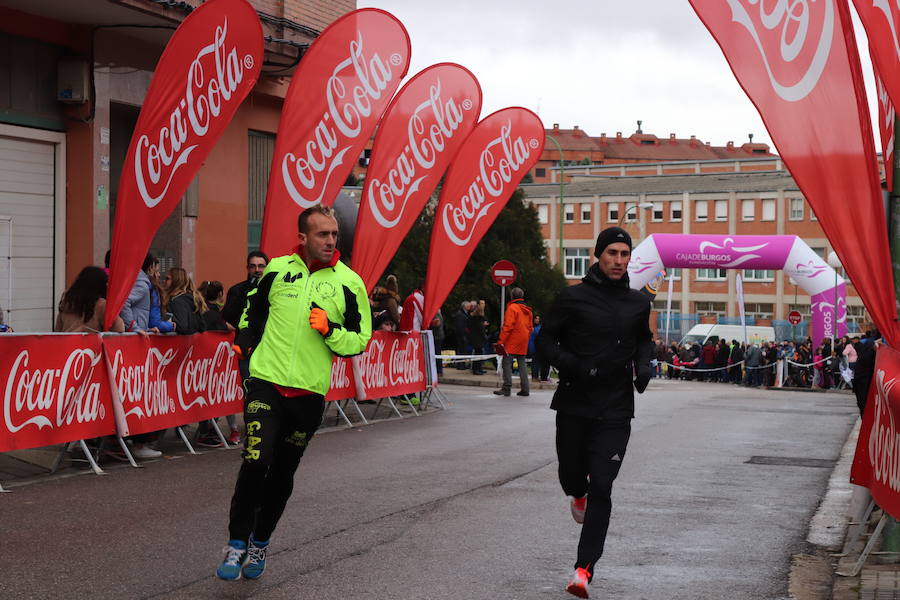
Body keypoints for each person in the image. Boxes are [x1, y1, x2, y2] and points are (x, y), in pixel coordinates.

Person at [217, 205, 372, 581]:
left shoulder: (349, 282)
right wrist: (246, 343)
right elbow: (252, 309)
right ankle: (236, 543)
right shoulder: (276, 269)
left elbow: (360, 339)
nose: (331, 241)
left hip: (308, 395)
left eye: (334, 234)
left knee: (282, 473)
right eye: (322, 234)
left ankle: (261, 541)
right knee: (255, 459)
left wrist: (330, 329)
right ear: (303, 237)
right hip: (265, 383)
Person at [536, 226, 653, 598]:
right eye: (612, 253)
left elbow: (644, 342)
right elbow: (546, 341)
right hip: (574, 402)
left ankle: (583, 570)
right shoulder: (572, 298)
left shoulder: (638, 302)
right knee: (573, 476)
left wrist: (645, 365)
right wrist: (576, 366)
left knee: (603, 484)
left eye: (624, 254)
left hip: (616, 408)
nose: (619, 261)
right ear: (598, 255)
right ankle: (577, 494)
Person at [196, 280, 239, 447]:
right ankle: (207, 432)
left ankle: (208, 430)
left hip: (208, 364)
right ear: (220, 294)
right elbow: (222, 327)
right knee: (214, 395)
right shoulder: (212, 314)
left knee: (211, 395)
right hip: (213, 364)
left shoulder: (203, 310)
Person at [55, 266, 125, 333]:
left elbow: (58, 329)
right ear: (100, 284)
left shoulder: (68, 301)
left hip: (66, 343)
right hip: (90, 344)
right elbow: (119, 328)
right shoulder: (101, 305)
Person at [493, 287, 533, 397]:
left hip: (512, 339)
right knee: (522, 364)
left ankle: (507, 388)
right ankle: (525, 389)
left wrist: (501, 341)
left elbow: (508, 326)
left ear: (512, 296)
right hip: (523, 339)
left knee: (507, 363)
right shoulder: (527, 310)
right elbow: (530, 328)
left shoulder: (512, 308)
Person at [222, 251, 269, 330]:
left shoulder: (272, 290)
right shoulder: (236, 290)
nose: (257, 270)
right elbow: (228, 316)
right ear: (248, 269)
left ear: (267, 268)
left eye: (261, 266)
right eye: (252, 266)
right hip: (243, 336)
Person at [164, 267, 207, 335]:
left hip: (178, 343)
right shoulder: (192, 299)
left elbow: (182, 326)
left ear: (176, 280)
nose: (164, 281)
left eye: (167, 279)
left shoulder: (177, 301)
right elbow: (202, 326)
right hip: (191, 344)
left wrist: (166, 316)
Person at [469, 300, 487, 375]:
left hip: (477, 337)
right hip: (477, 338)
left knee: (479, 353)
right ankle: (476, 369)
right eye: (482, 303)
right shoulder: (477, 317)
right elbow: (480, 328)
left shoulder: (478, 317)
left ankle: (479, 368)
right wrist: (485, 337)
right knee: (478, 353)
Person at [529, 315, 550, 382]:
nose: (536, 320)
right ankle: (538, 377)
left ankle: (537, 377)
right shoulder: (536, 328)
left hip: (537, 348)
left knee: (537, 363)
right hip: (536, 348)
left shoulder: (534, 328)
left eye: (538, 319)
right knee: (537, 363)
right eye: (535, 318)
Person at [453, 300, 473, 370]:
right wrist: (462, 336)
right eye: (468, 306)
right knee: (461, 350)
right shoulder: (460, 314)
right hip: (462, 335)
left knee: (463, 350)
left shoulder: (465, 313)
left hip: (464, 335)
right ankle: (460, 364)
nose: (470, 307)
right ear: (465, 306)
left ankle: (462, 364)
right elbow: (460, 326)